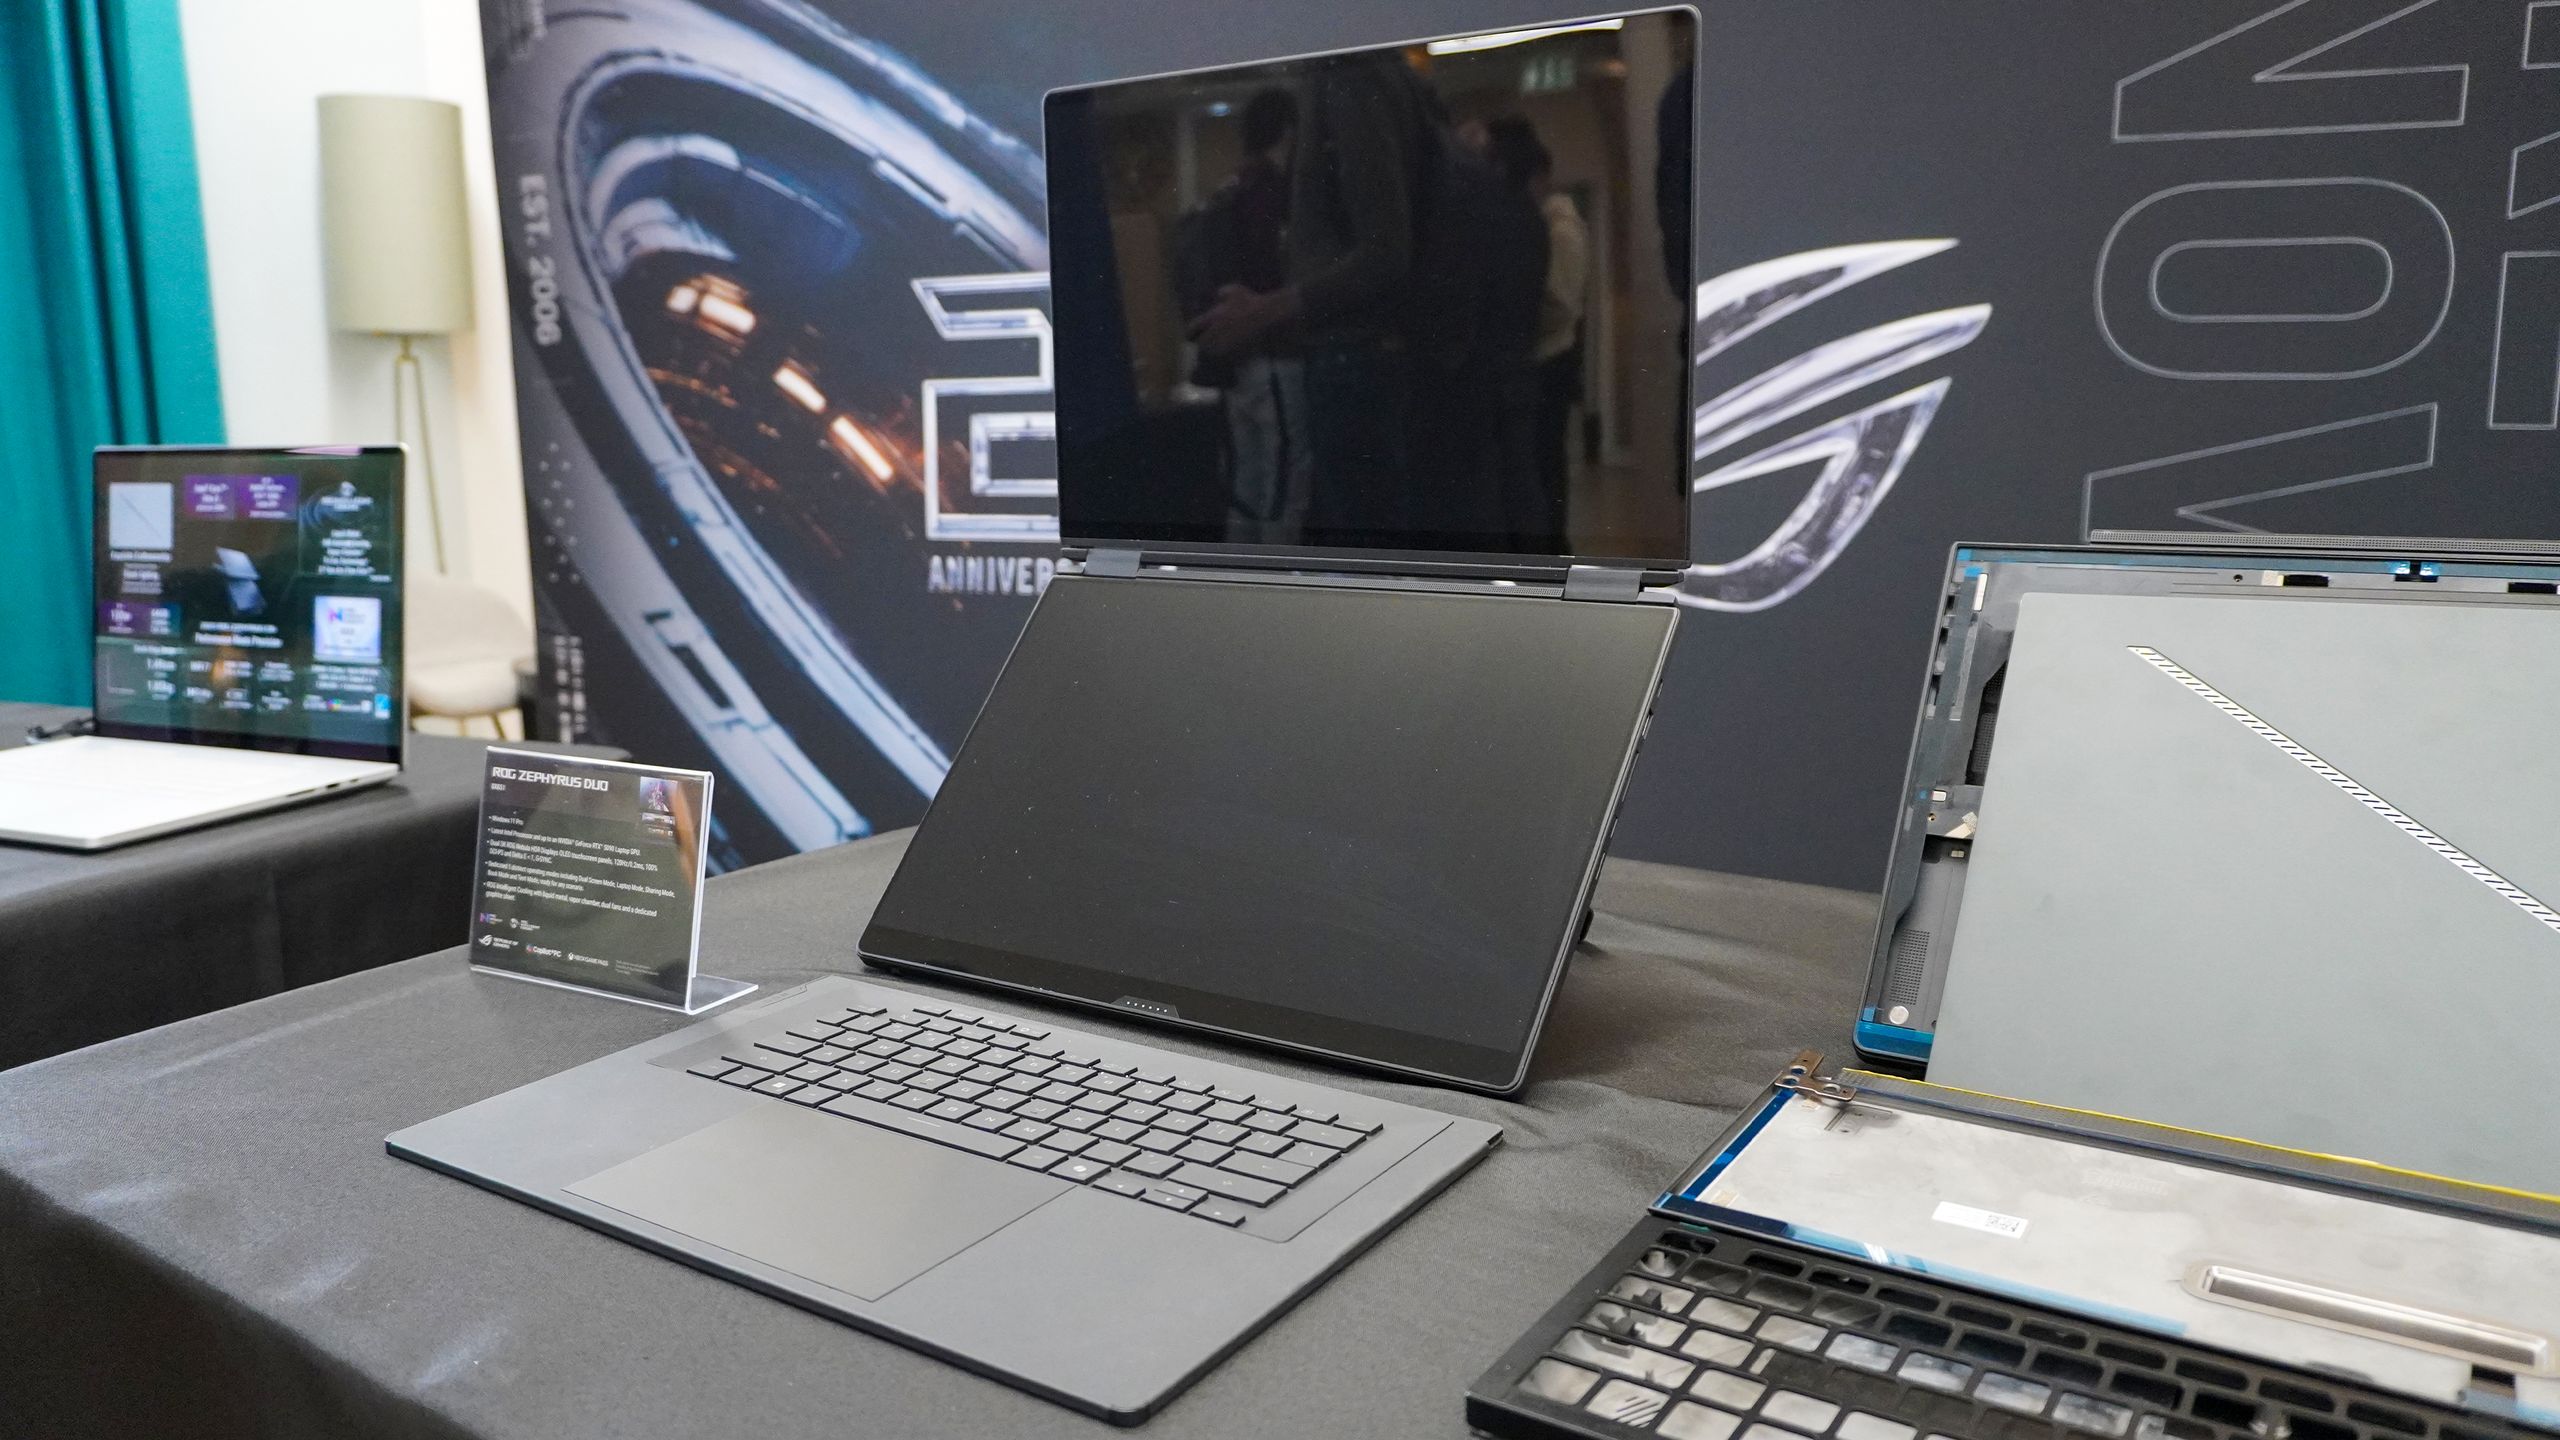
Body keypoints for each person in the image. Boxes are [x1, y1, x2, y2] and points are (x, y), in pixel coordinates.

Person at [1484, 114, 1581, 550]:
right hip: (1543, 355)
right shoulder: (1542, 224)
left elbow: (1559, 301)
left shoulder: (1559, 229)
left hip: (1549, 356)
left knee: (1544, 466)